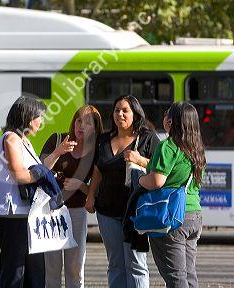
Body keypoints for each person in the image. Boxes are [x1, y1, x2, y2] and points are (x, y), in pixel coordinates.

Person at [85, 95, 159, 288]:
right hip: (106, 211)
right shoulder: (103, 140)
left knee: (136, 264)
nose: (120, 114)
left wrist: (140, 159)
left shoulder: (148, 138)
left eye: (125, 110)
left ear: (135, 113)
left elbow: (161, 169)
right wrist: (91, 195)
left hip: (136, 212)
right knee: (116, 264)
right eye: (117, 110)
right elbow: (97, 170)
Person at [138, 102, 205, 288]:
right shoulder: (197, 148)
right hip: (194, 215)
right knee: (189, 276)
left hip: (171, 216)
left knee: (175, 278)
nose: (166, 119)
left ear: (175, 121)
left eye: (170, 116)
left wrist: (140, 180)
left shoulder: (168, 146)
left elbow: (157, 181)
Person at [40, 105, 103, 288]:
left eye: (88, 123)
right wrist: (58, 152)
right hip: (51, 211)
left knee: (75, 268)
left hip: (77, 212)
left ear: (96, 128)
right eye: (78, 120)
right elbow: (40, 169)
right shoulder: (58, 139)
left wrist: (81, 186)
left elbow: (99, 188)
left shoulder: (96, 151)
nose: (81, 126)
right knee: (51, 268)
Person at [0, 96, 46, 288]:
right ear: (29, 117)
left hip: (24, 212)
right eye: (39, 116)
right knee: (15, 270)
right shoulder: (11, 138)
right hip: (13, 212)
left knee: (31, 270)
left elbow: (35, 170)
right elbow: (18, 174)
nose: (41, 121)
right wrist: (42, 175)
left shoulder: (23, 141)